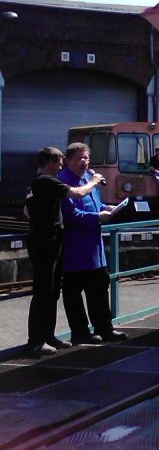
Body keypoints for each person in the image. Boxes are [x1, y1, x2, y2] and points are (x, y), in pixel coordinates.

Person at [23, 146, 107, 355]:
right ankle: (36, 341)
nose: (61, 166)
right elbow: (77, 194)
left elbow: (26, 209)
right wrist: (95, 181)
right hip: (46, 243)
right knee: (43, 292)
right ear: (50, 162)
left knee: (52, 292)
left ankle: (48, 336)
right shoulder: (47, 181)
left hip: (48, 240)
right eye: (59, 162)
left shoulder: (34, 184)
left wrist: (39, 221)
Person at [59, 142, 127, 344]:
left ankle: (105, 328)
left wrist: (109, 207)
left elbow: (94, 203)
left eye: (86, 158)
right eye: (79, 158)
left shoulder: (90, 178)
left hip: (95, 249)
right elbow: (72, 215)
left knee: (98, 289)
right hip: (75, 249)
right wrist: (98, 217)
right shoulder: (64, 182)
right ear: (68, 160)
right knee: (74, 294)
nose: (84, 162)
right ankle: (80, 332)